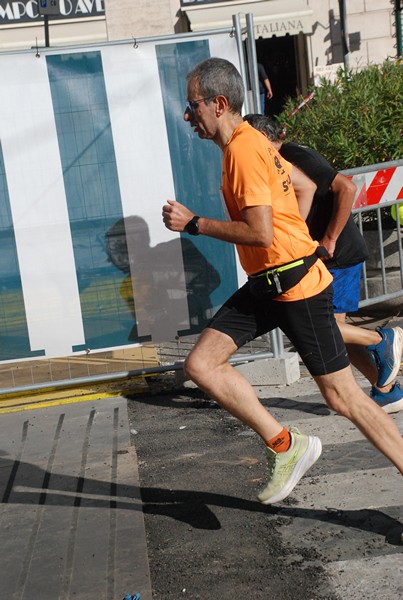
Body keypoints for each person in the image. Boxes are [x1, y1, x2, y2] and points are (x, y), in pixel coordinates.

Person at [162, 57, 403, 506]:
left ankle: (382, 346)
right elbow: (303, 187)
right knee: (201, 365)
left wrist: (195, 224)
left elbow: (260, 232)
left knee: (344, 398)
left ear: (218, 103)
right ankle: (287, 446)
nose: (187, 115)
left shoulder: (243, 150)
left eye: (192, 105)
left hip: (296, 287)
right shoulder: (253, 141)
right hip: (267, 282)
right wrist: (303, 236)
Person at [243, 114, 403, 414]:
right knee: (330, 332)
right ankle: (387, 391)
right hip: (317, 256)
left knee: (326, 329)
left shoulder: (293, 154)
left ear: (263, 138)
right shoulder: (278, 161)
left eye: (248, 140)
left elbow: (346, 188)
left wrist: (329, 239)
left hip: (338, 255)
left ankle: (382, 339)